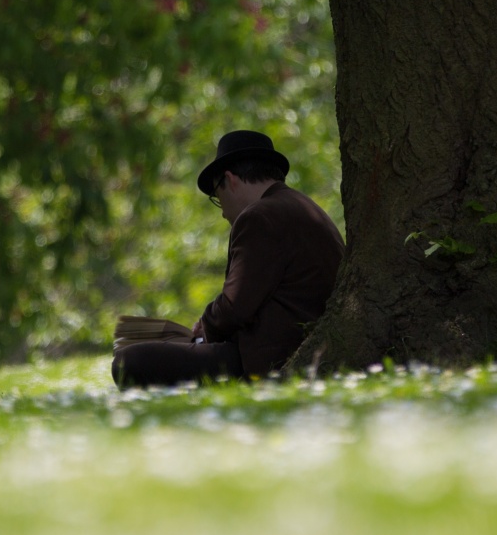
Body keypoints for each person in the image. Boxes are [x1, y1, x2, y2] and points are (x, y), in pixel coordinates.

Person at [112, 130, 345, 388]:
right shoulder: (304, 207)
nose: (222, 212)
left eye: (216, 196)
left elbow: (235, 308)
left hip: (268, 359)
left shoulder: (259, 217)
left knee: (129, 360)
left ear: (230, 179)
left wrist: (205, 325)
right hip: (302, 345)